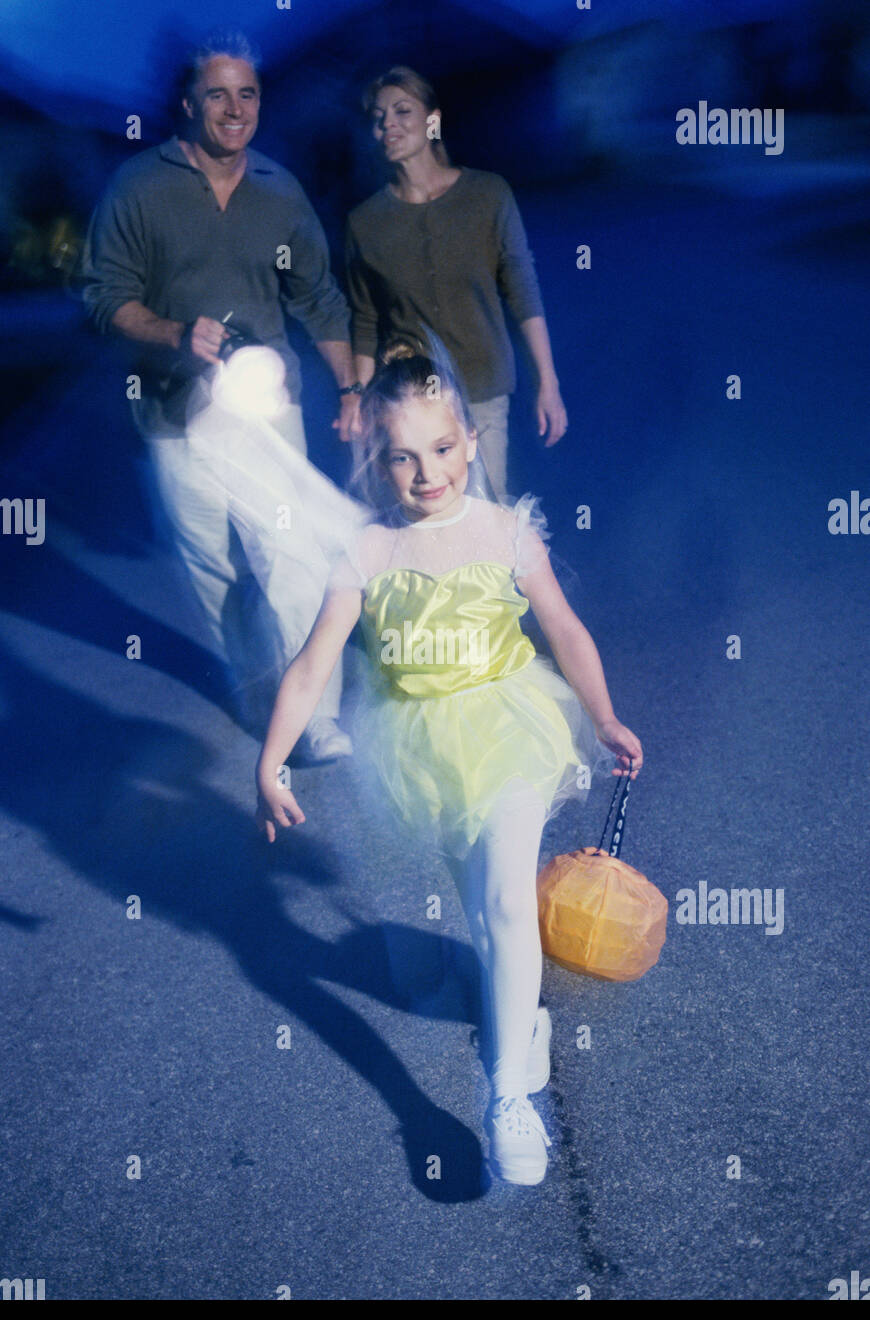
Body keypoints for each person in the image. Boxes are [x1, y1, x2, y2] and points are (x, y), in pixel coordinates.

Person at [254, 343, 643, 1186]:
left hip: (509, 727)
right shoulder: (365, 553)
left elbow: (565, 629)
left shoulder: (504, 530)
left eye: (440, 449)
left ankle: (506, 1097)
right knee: (480, 909)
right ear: (379, 462)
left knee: (507, 895)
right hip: (423, 751)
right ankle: (525, 1019)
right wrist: (272, 761)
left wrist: (605, 714)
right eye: (402, 456)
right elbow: (313, 664)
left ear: (469, 439)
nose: (426, 473)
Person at [81, 29, 364, 756]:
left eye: (248, 94)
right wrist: (177, 333)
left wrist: (352, 388)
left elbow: (320, 300)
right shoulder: (138, 187)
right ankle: (259, 686)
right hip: (173, 416)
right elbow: (103, 300)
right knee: (220, 572)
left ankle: (314, 715)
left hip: (267, 409)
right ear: (188, 102)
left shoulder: (280, 190)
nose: (235, 109)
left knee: (292, 555)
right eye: (218, 94)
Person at [344, 66, 568, 501]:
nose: (388, 123)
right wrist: (359, 400)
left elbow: (522, 290)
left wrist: (548, 380)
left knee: (486, 510)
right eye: (379, 116)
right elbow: (366, 320)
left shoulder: (487, 194)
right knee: (423, 514)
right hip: (407, 394)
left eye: (402, 110)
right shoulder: (364, 222)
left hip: (482, 386)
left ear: (432, 120)